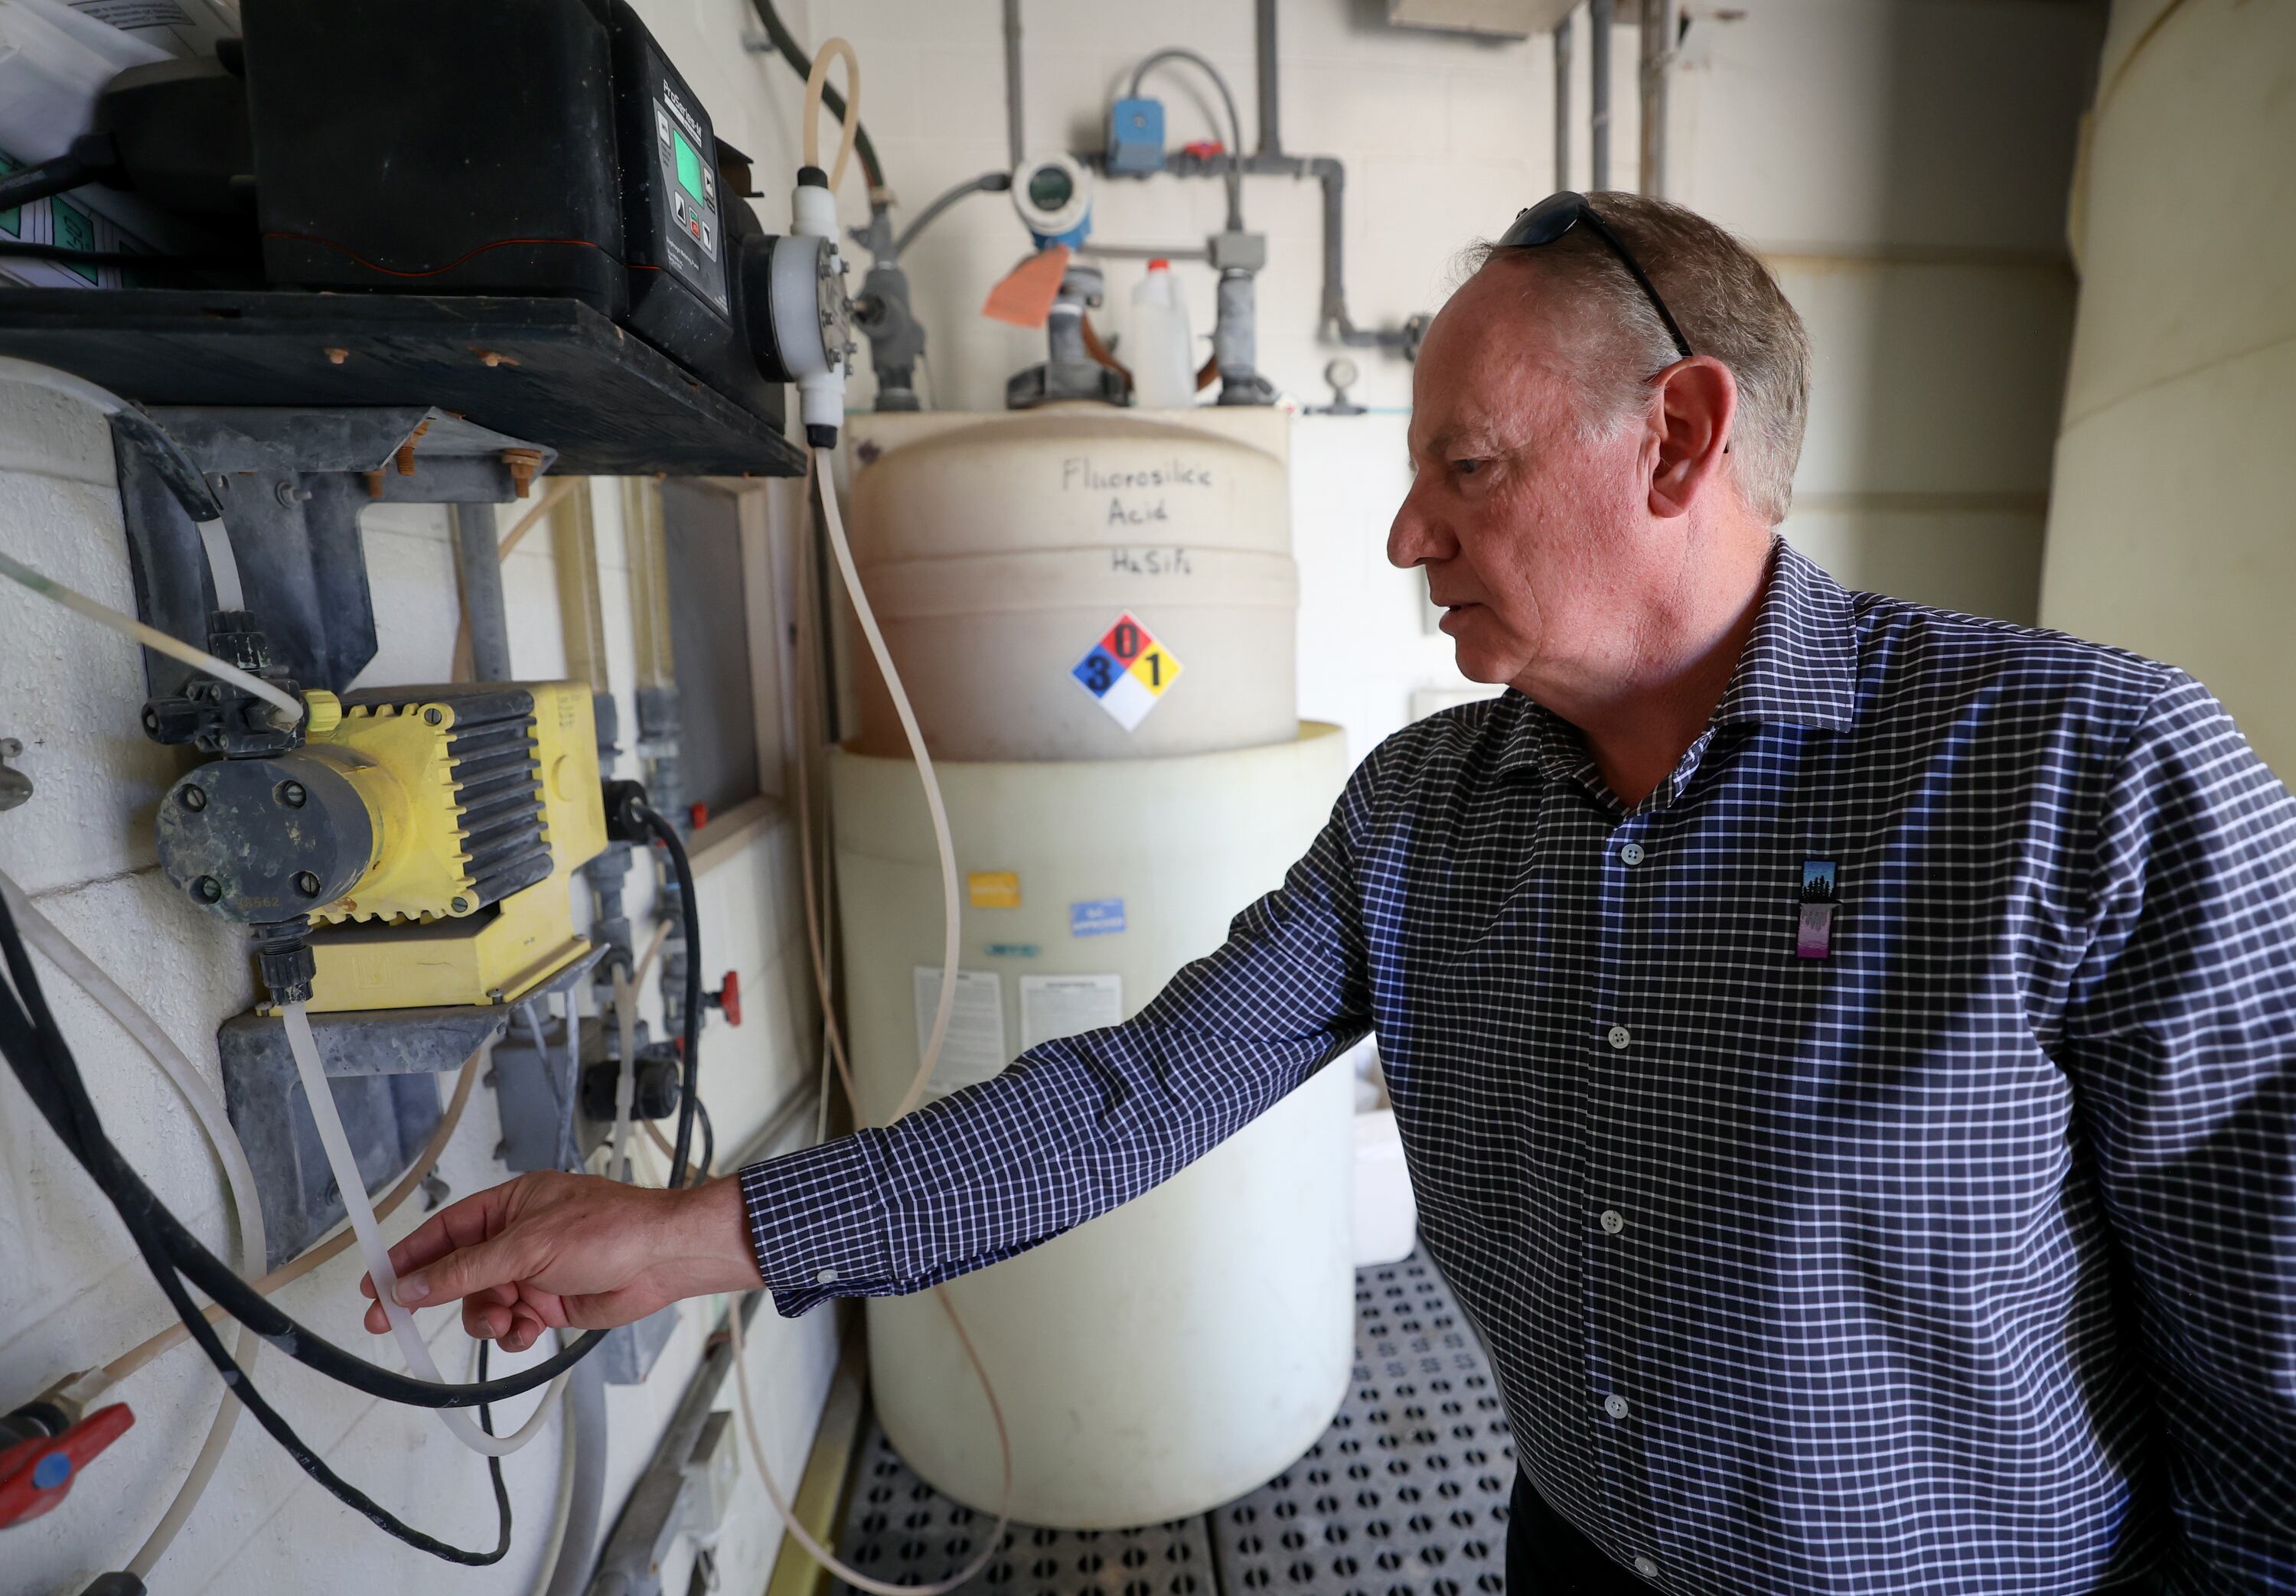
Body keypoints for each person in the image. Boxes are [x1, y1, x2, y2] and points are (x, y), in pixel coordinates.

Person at [360, 193, 2296, 1594]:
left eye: (1464, 467)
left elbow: (2271, 1357)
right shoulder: (1421, 812)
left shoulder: (2086, 779)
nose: (1399, 533)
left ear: (1682, 439)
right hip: (1570, 1546)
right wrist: (702, 1231)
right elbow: (1130, 1097)